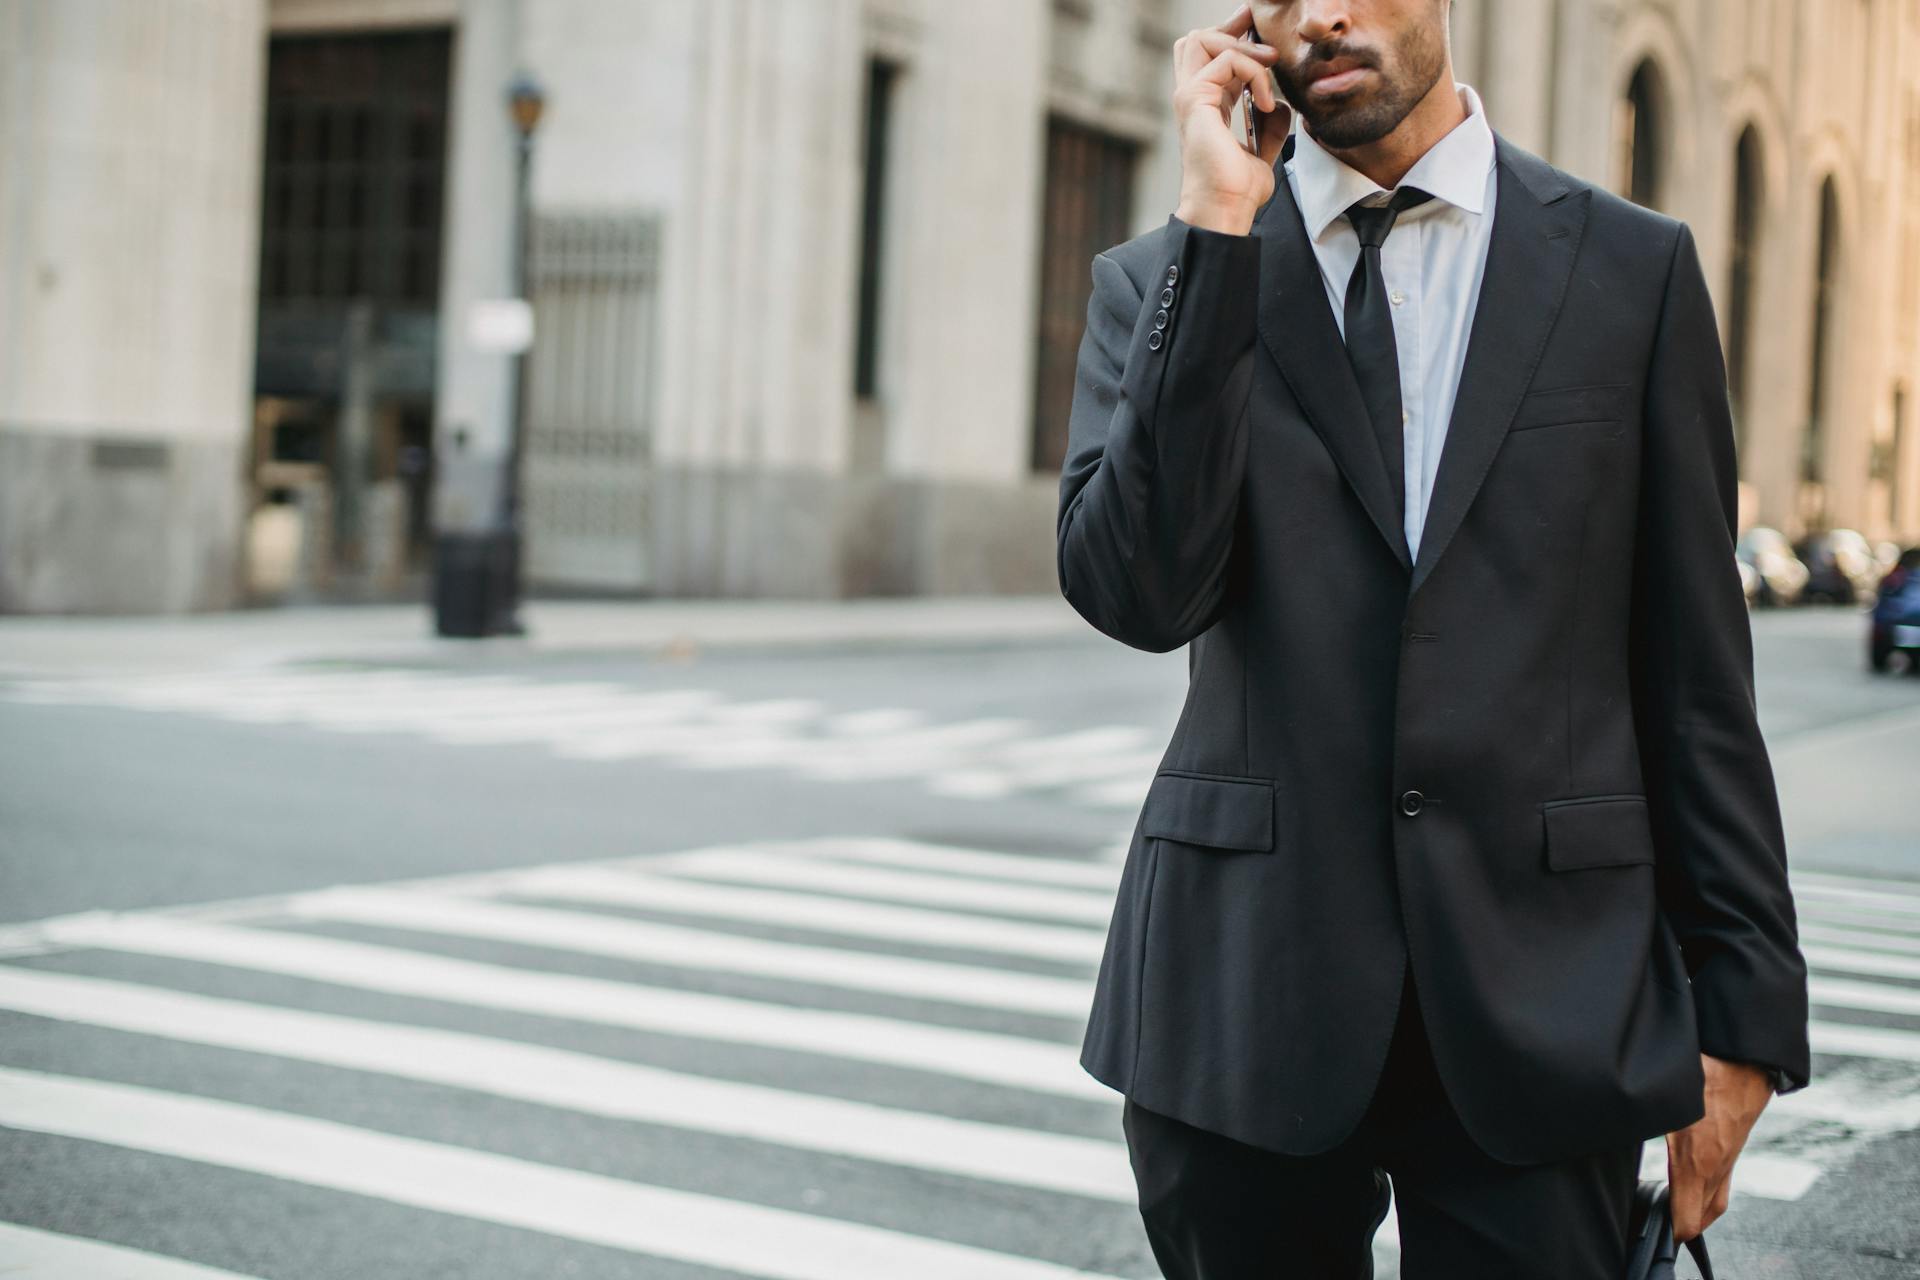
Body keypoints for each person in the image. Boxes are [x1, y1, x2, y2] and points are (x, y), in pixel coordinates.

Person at [1054, 2, 1812, 1275]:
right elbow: (1137, 591)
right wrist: (1220, 220)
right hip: (1245, 995)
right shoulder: (1169, 275)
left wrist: (1741, 1011)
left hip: (1547, 994)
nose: (1325, 14)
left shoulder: (1631, 271)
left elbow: (1695, 675)